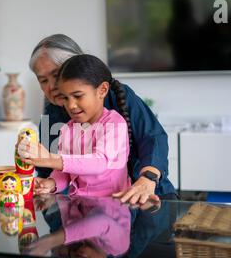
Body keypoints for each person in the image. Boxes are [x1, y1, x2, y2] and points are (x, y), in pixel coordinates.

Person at [29, 34, 177, 204]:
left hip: (145, 196)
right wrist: (45, 186)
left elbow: (152, 138)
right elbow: (50, 171)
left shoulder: (116, 99)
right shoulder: (51, 114)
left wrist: (148, 178)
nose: (52, 86)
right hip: (83, 208)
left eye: (57, 75)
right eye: (43, 80)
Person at [18, 54, 131, 198]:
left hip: (111, 209)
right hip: (78, 204)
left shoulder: (114, 123)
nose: (70, 105)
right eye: (65, 97)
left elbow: (99, 162)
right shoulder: (68, 129)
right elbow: (65, 170)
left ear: (102, 90)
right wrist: (52, 183)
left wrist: (50, 159)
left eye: (78, 96)